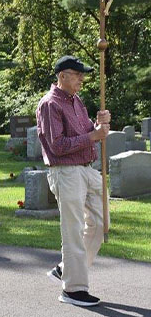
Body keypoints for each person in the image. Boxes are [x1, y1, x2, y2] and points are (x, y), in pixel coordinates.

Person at [37, 55, 111, 307]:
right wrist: (93, 135)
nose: (82, 78)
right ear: (62, 76)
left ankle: (64, 268)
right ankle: (73, 289)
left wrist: (99, 125)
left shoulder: (76, 101)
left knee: (102, 223)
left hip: (87, 169)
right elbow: (57, 146)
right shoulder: (50, 104)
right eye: (77, 74)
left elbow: (87, 130)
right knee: (73, 230)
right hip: (66, 171)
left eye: (82, 74)